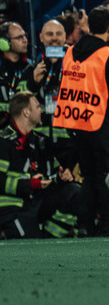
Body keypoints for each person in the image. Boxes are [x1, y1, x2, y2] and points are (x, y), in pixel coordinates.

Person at [53, 6, 109, 237]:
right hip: (103, 125)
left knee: (89, 177)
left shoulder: (71, 52)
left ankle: (86, 225)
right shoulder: (108, 55)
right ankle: (108, 226)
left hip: (78, 125)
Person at [0, 92, 79, 239]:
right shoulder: (3, 142)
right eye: (37, 107)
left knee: (73, 191)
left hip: (35, 203)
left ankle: (49, 239)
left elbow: (51, 175)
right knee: (30, 242)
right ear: (26, 112)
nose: (41, 110)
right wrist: (30, 184)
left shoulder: (40, 141)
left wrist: (61, 177)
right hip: (12, 208)